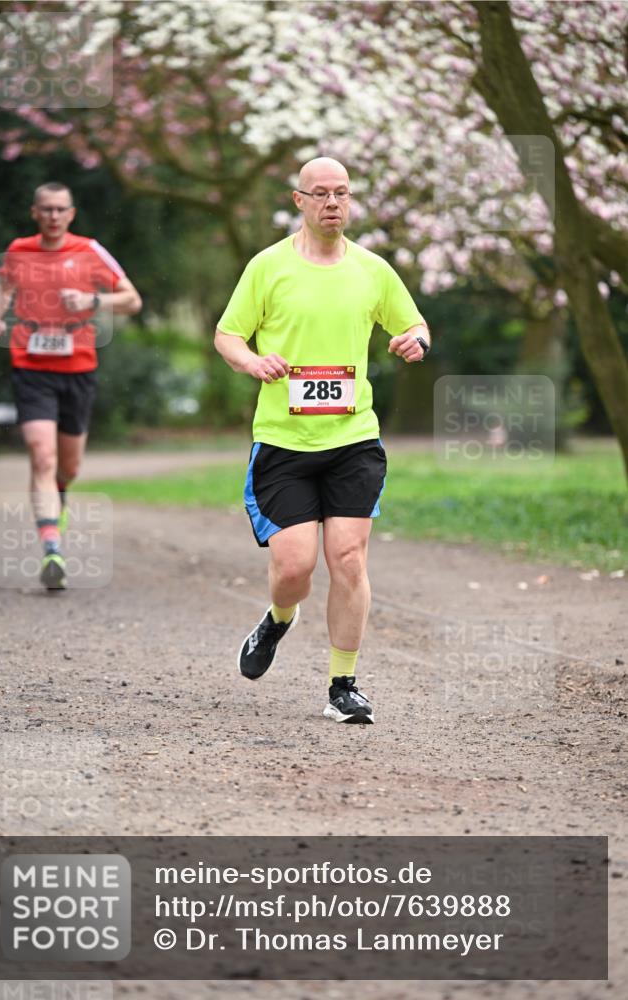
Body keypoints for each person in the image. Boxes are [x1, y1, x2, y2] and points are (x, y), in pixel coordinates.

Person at [215, 157, 430, 725]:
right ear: (299, 200)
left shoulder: (373, 270)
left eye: (342, 194)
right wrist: (253, 361)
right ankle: (279, 619)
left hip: (353, 438)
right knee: (294, 569)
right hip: (284, 442)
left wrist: (415, 342)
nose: (333, 203)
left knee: (349, 559)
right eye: (321, 194)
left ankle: (343, 684)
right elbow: (228, 334)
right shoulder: (267, 268)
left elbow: (414, 324)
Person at [0, 182, 142, 590]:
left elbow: (131, 299)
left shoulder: (90, 251)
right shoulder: (19, 251)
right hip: (31, 367)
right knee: (41, 454)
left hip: (77, 369)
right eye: (46, 209)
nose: (54, 216)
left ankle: (59, 498)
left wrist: (92, 302)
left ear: (71, 214)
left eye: (61, 210)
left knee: (67, 468)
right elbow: (3, 286)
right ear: (35, 213)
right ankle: (51, 546)